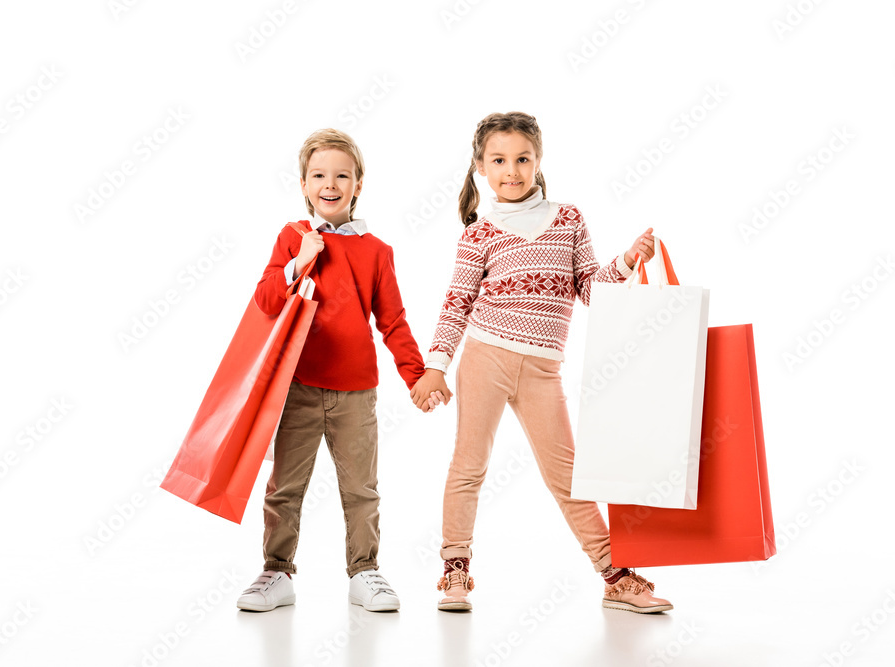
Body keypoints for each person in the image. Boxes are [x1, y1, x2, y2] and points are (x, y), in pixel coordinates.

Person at [410, 112, 672, 613]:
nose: (512, 171)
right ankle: (455, 569)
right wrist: (436, 365)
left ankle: (613, 574)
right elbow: (457, 303)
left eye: (522, 159)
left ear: (538, 161)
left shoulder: (568, 218)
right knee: (469, 466)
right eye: (499, 161)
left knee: (568, 475)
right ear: (480, 168)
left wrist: (627, 260)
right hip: (485, 357)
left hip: (542, 370)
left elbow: (590, 289)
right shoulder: (478, 234)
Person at [236, 128, 430, 612]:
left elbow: (393, 321)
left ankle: (365, 572)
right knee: (284, 487)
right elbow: (264, 300)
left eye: (342, 175)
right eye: (319, 175)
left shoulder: (376, 251)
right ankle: (276, 572)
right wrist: (299, 262)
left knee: (362, 489)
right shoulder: (292, 238)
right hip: (297, 387)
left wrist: (417, 374)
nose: (330, 183)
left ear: (358, 184)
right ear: (304, 185)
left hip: (356, 392)